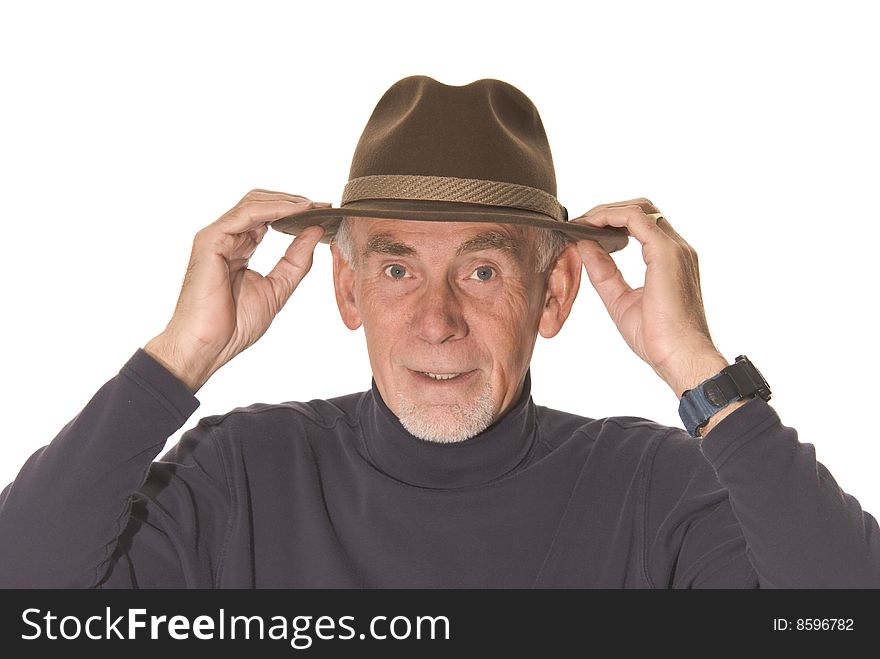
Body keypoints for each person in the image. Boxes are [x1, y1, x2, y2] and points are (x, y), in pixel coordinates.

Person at [0, 75, 877, 588]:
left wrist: (697, 368)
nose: (436, 319)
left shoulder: (655, 491)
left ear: (554, 293)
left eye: (483, 270)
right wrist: (178, 358)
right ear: (347, 289)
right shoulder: (244, 474)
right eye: (395, 269)